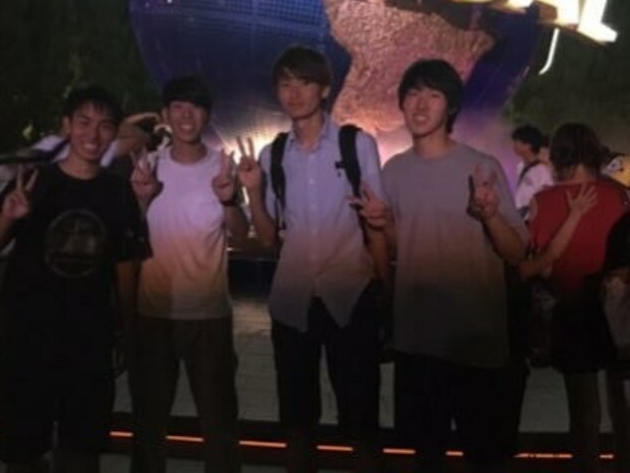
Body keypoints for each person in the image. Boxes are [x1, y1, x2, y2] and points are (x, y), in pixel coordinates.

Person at [354, 58, 527, 473]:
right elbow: (409, 242)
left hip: (476, 341)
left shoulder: (480, 167)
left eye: (433, 95)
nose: (420, 104)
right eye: (413, 93)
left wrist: (490, 216)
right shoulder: (394, 171)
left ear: (451, 107)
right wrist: (384, 223)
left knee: (486, 457)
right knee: (425, 454)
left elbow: (517, 254)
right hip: (417, 340)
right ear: (401, 103)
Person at [237, 45, 389, 473]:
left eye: (305, 82)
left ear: (324, 89)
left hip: (350, 295)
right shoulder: (273, 155)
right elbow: (269, 237)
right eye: (285, 83)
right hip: (293, 300)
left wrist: (386, 292)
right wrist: (252, 191)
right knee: (297, 418)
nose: (294, 92)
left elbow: (376, 224)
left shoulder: (356, 144)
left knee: (361, 418)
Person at [0, 85, 147, 473]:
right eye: (83, 122)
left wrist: (128, 331)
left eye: (104, 125)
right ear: (67, 125)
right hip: (28, 338)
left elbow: (125, 268)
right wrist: (8, 216)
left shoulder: (117, 192)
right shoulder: (34, 181)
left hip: (89, 342)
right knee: (23, 451)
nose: (93, 134)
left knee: (81, 451)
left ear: (114, 133)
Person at [128, 75, 248, 473]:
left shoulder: (222, 166)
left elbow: (241, 233)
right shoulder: (148, 165)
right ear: (165, 114)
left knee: (219, 423)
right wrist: (141, 200)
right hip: (153, 314)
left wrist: (229, 200)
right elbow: (129, 237)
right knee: (148, 423)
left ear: (207, 115)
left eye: (195, 107)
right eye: (177, 106)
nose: (186, 115)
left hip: (209, 315)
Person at [523, 123, 630, 473]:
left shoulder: (543, 202)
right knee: (623, 406)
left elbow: (539, 263)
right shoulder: (618, 197)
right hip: (617, 310)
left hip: (570, 311)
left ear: (557, 157)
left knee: (584, 413)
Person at [511, 124, 553, 219]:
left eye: (517, 141)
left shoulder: (542, 171)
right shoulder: (520, 166)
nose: (514, 145)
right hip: (519, 215)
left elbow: (546, 197)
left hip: (530, 217)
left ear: (528, 145)